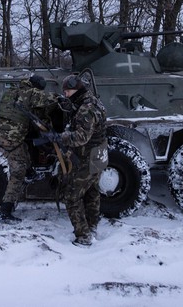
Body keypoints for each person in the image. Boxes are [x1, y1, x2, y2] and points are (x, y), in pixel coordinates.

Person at [0, 74, 61, 222]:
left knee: (25, 151)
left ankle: (30, 173)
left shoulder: (12, 91)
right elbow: (50, 100)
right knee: (18, 172)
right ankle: (5, 210)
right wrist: (60, 98)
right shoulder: (32, 93)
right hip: (12, 140)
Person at [56, 74, 108, 246]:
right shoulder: (94, 101)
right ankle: (91, 227)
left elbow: (81, 137)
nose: (66, 95)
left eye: (68, 92)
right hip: (99, 154)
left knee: (71, 196)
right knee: (92, 191)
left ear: (77, 90)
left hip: (88, 156)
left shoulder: (86, 108)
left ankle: (83, 236)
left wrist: (60, 137)